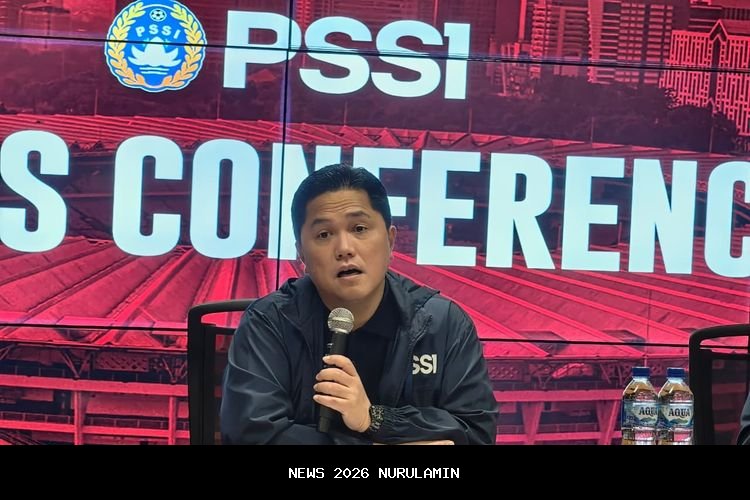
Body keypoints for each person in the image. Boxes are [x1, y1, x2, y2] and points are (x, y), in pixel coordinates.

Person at [220, 163, 498, 444]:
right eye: (324, 234)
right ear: (301, 253)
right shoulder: (270, 322)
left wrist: (374, 418)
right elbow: (252, 436)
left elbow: (476, 432)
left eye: (359, 228)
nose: (344, 249)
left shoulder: (443, 324)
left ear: (390, 241)